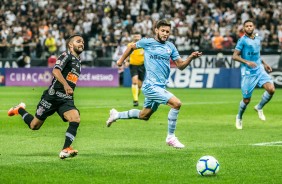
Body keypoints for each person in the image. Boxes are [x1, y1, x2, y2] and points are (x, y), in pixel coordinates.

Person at [106, 19, 202, 149]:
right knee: (176, 104)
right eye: (163, 31)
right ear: (156, 30)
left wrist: (190, 57)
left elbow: (180, 66)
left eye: (168, 32)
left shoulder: (170, 46)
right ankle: (171, 137)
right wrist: (121, 60)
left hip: (160, 87)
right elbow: (131, 46)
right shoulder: (147, 42)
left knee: (144, 115)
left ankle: (116, 115)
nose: (165, 34)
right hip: (150, 86)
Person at [7, 34, 85, 159]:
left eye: (83, 42)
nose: (81, 43)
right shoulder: (66, 56)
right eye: (78, 41)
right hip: (52, 97)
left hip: (66, 99)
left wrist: (67, 89)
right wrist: (65, 85)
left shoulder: (79, 62)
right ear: (71, 45)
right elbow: (55, 71)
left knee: (75, 118)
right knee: (34, 126)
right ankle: (19, 109)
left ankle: (65, 149)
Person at [232, 19, 275, 130]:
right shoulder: (242, 40)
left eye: (251, 26)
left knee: (271, 89)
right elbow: (234, 56)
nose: (249, 27)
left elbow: (258, 54)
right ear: (244, 28)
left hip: (259, 69)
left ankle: (259, 107)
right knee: (246, 100)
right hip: (248, 73)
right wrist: (247, 62)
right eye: (247, 26)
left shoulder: (257, 38)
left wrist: (264, 64)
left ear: (253, 27)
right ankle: (239, 117)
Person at [127, 32, 145, 106]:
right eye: (135, 36)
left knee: (140, 85)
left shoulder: (144, 45)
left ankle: (136, 97)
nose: (136, 37)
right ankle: (135, 100)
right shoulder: (130, 45)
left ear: (140, 37)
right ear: (133, 37)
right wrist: (127, 61)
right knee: (135, 82)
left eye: (138, 36)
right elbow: (127, 53)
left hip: (142, 66)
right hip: (133, 65)